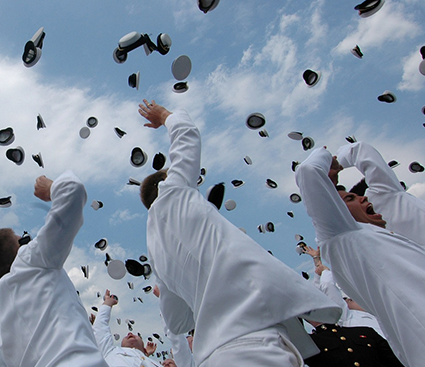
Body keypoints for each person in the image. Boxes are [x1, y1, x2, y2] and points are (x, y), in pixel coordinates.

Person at [138, 99, 341, 367]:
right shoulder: (174, 191)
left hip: (215, 354)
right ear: (166, 181)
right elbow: (187, 135)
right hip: (254, 341)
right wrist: (164, 115)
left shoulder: (154, 249)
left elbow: (177, 322)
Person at [296, 146, 425, 367]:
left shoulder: (391, 240)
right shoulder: (343, 238)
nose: (364, 198)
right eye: (351, 198)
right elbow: (308, 171)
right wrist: (330, 160)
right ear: (338, 213)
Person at [0, 172, 108, 367]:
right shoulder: (30, 260)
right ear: (20, 248)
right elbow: (73, 190)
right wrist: (50, 188)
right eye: (23, 239)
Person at [335, 141, 425, 257]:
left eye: (353, 197)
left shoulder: (382, 195)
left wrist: (329, 165)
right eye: (350, 199)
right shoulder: (367, 246)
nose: (363, 199)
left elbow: (359, 150)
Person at [300, 243, 385, 337]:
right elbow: (327, 287)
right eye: (348, 300)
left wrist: (317, 259)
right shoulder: (345, 318)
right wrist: (325, 271)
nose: (348, 300)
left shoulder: (374, 314)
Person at [93, 289, 165, 367]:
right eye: (127, 336)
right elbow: (100, 327)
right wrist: (108, 302)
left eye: (136, 336)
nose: (130, 333)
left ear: (144, 349)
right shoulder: (109, 351)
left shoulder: (156, 364)